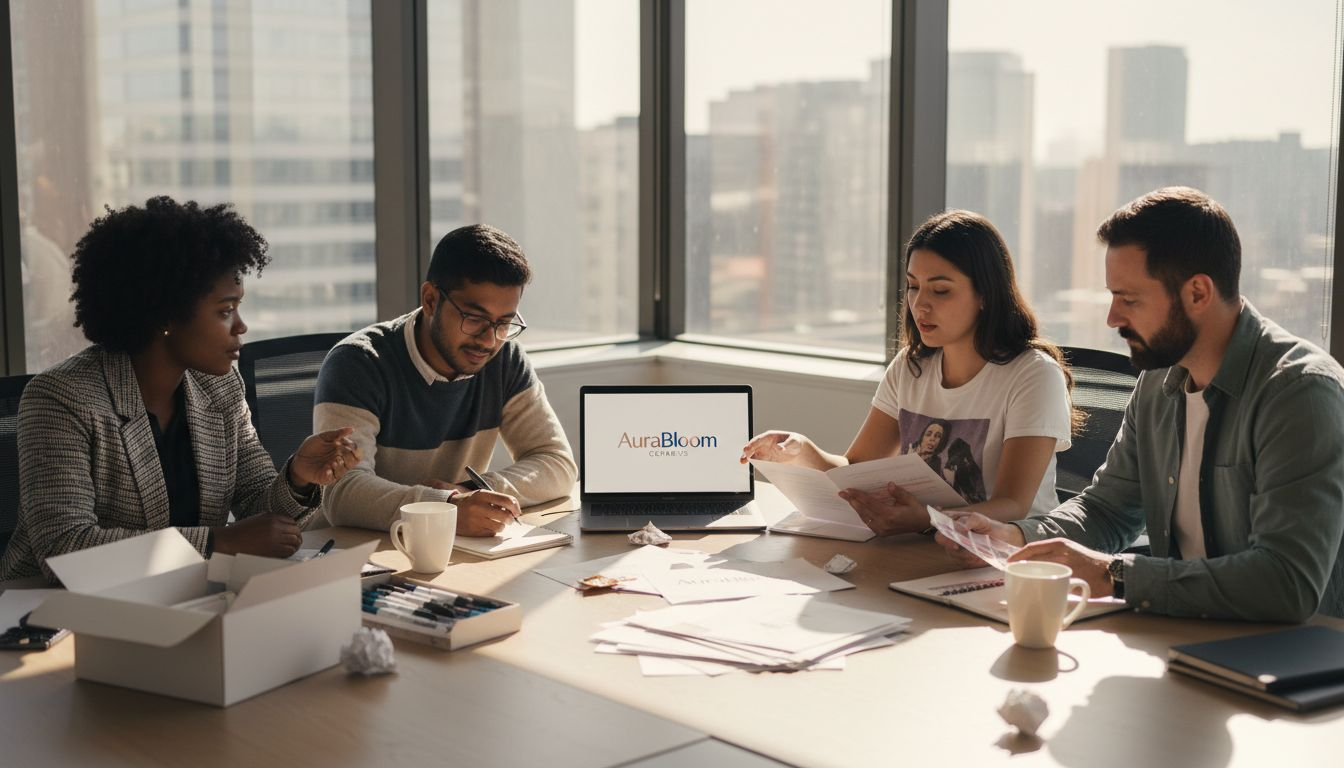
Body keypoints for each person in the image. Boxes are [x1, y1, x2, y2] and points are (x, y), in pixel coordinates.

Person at [940, 187, 1344, 622]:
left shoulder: (1299, 392)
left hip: (1287, 658)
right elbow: (1107, 510)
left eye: (1129, 299)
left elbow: (1287, 583)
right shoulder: (1158, 380)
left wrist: (1115, 575)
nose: (1113, 318)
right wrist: (1015, 537)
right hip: (1187, 631)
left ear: (1198, 294)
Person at [0, 196, 360, 582]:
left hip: (181, 599)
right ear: (166, 316)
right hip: (50, 616)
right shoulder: (61, 399)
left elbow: (257, 508)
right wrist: (216, 543)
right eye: (225, 311)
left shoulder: (219, 388)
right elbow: (64, 548)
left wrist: (298, 478)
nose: (241, 327)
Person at [741, 210, 1078, 535]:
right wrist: (804, 451)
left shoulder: (1034, 376)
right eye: (914, 286)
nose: (920, 305)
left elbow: (1013, 505)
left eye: (941, 290)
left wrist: (928, 519)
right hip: (928, 547)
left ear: (986, 295)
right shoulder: (910, 367)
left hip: (1010, 559)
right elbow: (855, 471)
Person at [313, 224, 577, 536]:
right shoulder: (360, 363)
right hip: (356, 553)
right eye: (474, 319)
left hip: (448, 547)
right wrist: (442, 507)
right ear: (430, 300)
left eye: (503, 323)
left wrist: (469, 491)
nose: (489, 340)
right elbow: (343, 493)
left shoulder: (504, 359)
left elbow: (557, 464)